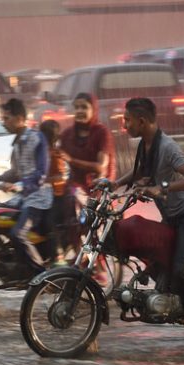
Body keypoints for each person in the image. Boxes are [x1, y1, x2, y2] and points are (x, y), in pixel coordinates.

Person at [109, 97, 184, 353]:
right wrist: (114, 184)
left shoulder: (167, 147)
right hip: (170, 217)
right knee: (154, 260)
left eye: (126, 120)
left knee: (182, 270)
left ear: (142, 121)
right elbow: (138, 172)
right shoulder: (146, 145)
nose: (124, 125)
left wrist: (164, 187)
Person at [0, 98, 53, 280]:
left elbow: (41, 174)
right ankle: (8, 265)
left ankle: (42, 276)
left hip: (38, 199)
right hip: (21, 198)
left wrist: (18, 185)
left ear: (20, 118)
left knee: (18, 233)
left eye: (7, 118)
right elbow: (14, 172)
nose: (4, 123)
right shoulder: (17, 143)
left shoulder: (37, 138)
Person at [58, 93, 115, 255]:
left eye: (84, 107)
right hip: (74, 185)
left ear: (94, 109)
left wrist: (71, 160)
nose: (79, 111)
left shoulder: (101, 132)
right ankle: (66, 255)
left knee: (84, 219)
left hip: (96, 187)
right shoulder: (67, 134)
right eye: (76, 107)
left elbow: (100, 167)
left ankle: (96, 263)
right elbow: (58, 158)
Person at [40, 119, 71, 264]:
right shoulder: (45, 153)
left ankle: (57, 254)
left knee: (49, 222)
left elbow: (62, 176)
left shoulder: (56, 155)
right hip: (47, 196)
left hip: (57, 198)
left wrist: (44, 180)